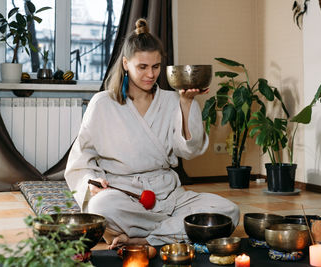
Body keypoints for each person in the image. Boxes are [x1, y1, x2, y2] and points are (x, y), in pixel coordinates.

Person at [64, 18, 240, 248]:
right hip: (124, 194)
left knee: (229, 211)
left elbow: (189, 150)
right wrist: (91, 182)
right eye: (143, 67)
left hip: (169, 195)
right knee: (101, 208)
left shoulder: (171, 100)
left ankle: (143, 238)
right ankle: (173, 231)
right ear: (126, 64)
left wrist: (186, 102)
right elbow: (80, 159)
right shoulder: (103, 103)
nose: (150, 74)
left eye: (156, 67)